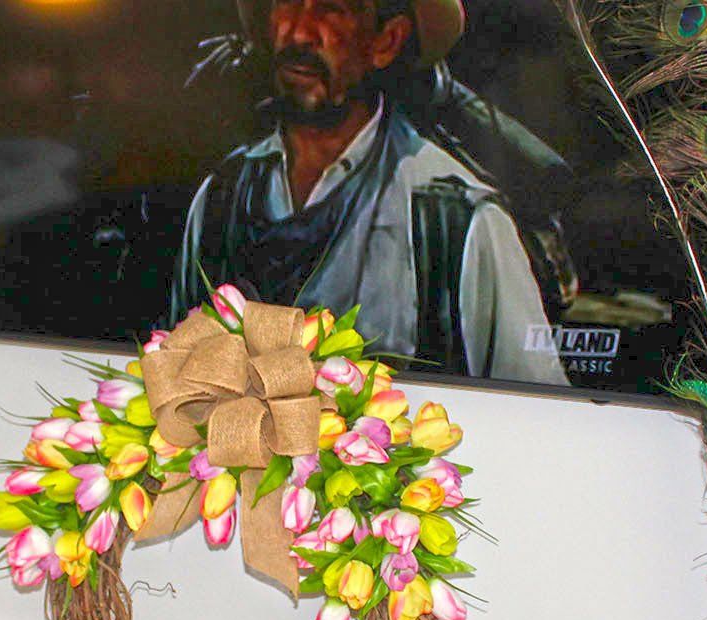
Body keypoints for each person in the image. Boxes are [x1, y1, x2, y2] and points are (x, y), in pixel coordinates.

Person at [171, 0, 567, 385]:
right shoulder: (220, 200)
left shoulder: (457, 222)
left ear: (387, 41)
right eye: (286, 4)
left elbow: (537, 411)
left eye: (331, 8)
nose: (298, 32)